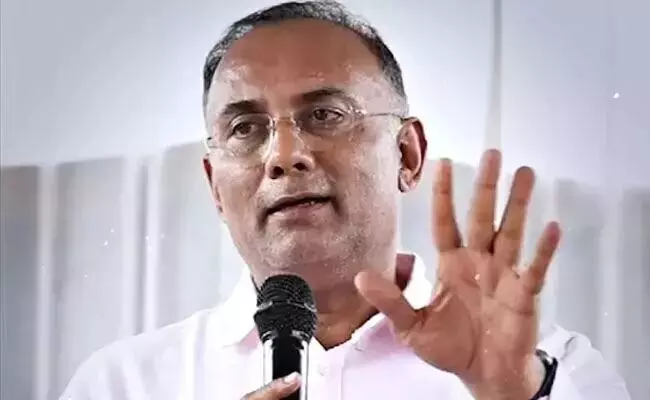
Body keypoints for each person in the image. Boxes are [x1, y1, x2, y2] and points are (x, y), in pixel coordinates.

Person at [61, 1, 630, 399]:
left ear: (406, 154)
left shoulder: (555, 376)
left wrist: (510, 392)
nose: (284, 155)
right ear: (214, 186)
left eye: (325, 115)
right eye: (245, 128)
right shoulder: (120, 385)